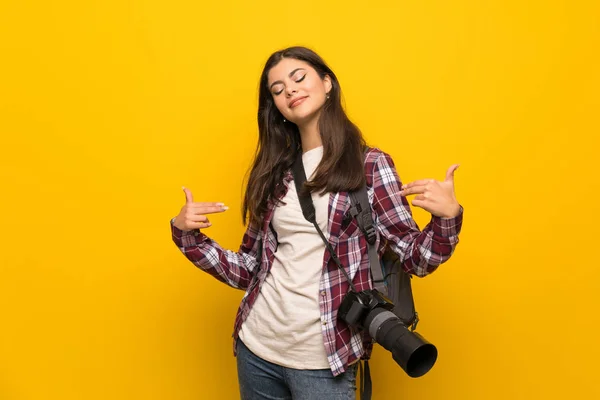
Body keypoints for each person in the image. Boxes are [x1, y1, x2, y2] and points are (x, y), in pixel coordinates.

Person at [170, 46, 463, 400]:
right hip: (257, 347)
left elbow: (417, 259)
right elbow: (250, 269)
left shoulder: (369, 165)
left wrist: (446, 219)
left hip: (325, 361)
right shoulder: (276, 172)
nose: (289, 91)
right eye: (277, 90)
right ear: (276, 108)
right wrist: (188, 237)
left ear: (327, 84)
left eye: (298, 78)